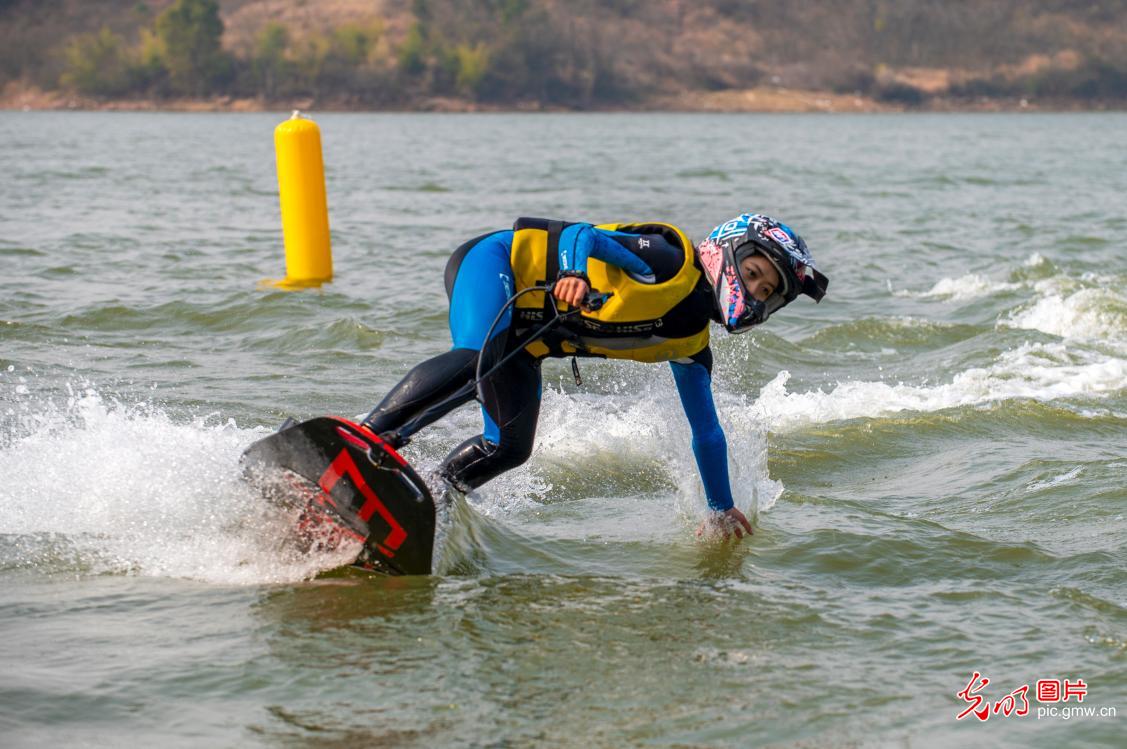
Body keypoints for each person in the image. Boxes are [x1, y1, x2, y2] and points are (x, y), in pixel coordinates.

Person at [363, 214, 828, 539]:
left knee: (509, 447)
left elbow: (706, 431)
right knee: (475, 359)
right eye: (752, 273)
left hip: (526, 341)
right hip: (493, 265)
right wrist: (574, 273)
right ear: (727, 250)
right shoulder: (667, 262)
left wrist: (721, 508)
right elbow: (582, 235)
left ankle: (433, 493)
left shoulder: (691, 345)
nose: (755, 291)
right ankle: (368, 439)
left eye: (766, 290)